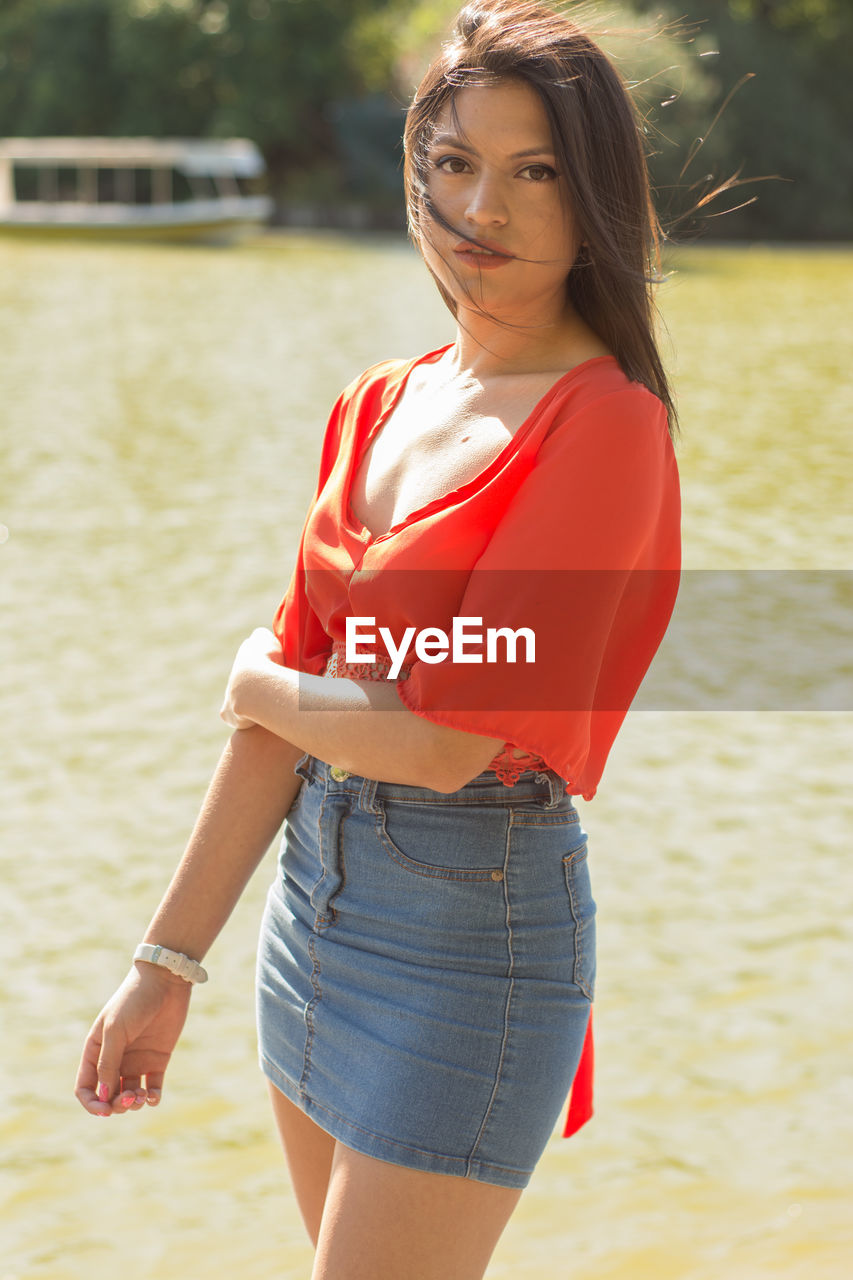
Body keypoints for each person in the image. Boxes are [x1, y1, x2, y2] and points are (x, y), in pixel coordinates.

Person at [75, 2, 681, 1276]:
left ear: (595, 198)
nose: (484, 211)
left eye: (534, 172)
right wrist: (164, 961)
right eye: (454, 163)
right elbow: (281, 735)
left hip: (470, 933)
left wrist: (257, 675)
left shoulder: (605, 426)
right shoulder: (376, 404)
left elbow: (446, 737)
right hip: (313, 911)